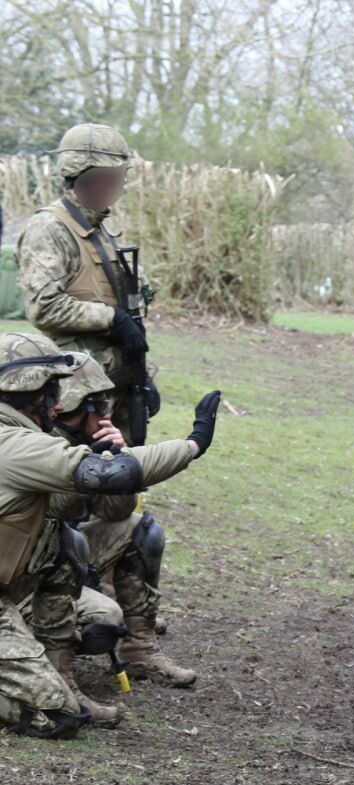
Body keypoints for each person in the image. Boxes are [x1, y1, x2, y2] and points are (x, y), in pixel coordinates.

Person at [0, 332, 219, 738]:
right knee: (58, 718)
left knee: (67, 544)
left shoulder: (25, 437)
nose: (56, 401)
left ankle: (64, 676)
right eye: (51, 391)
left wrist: (107, 451)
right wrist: (191, 445)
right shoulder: (14, 443)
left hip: (13, 585)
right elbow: (103, 475)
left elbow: (97, 503)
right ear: (32, 394)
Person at [51, 353, 196, 686]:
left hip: (68, 550)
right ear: (75, 408)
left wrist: (114, 458)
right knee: (100, 617)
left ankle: (139, 649)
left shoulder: (87, 439)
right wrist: (89, 465)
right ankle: (52, 673)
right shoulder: (38, 443)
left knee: (142, 533)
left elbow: (115, 512)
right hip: (31, 564)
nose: (107, 413)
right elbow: (49, 513)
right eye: (99, 406)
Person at [15, 122, 156, 444]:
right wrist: (112, 318)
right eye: (109, 176)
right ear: (81, 176)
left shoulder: (102, 227)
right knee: (77, 481)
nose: (116, 185)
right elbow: (45, 307)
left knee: (123, 479)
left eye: (119, 176)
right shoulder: (48, 229)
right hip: (76, 390)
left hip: (114, 380)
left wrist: (143, 376)